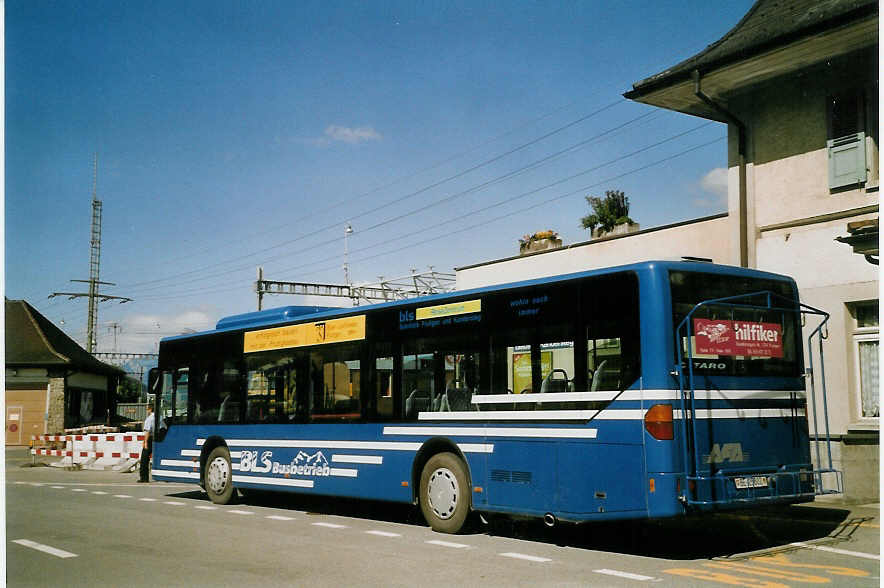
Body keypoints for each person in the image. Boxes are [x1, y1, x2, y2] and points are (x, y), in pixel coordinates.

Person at [139, 405, 155, 483]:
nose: (147, 411)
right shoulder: (159, 417)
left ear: (150, 409)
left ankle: (144, 478)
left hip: (150, 439)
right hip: (157, 438)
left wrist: (145, 442)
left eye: (147, 409)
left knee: (144, 459)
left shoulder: (149, 418)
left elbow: (147, 431)